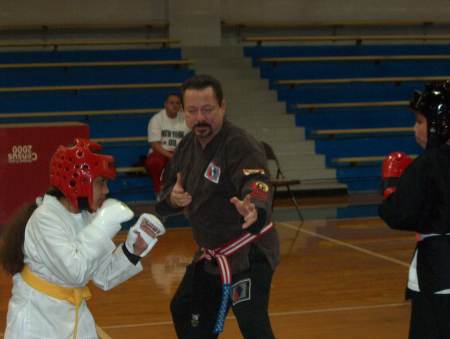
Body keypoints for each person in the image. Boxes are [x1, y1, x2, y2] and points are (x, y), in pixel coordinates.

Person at [0, 138, 165, 339]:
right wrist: (104, 224)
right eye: (101, 182)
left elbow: (104, 277)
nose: (106, 191)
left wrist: (133, 249)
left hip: (72, 315)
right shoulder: (44, 219)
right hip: (37, 322)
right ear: (77, 181)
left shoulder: (86, 217)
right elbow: (75, 272)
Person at [156, 75, 280, 339]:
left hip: (248, 252)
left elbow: (258, 182)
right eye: (192, 111)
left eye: (207, 110)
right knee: (184, 310)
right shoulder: (186, 147)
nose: (200, 118)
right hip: (211, 254)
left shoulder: (239, 144)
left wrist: (255, 208)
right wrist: (172, 198)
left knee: (251, 321)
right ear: (184, 113)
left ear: (223, 107)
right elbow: (165, 193)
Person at [379, 81, 450, 339]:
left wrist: (390, 190)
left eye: (420, 122)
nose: (415, 129)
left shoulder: (427, 165)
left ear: (438, 123)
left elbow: (399, 214)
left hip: (439, 272)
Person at [145, 93, 190, 196]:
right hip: (161, 152)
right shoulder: (156, 119)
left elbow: (190, 142)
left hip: (179, 152)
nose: (175, 105)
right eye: (172, 103)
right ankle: (159, 192)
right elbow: (154, 144)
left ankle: (185, 193)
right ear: (165, 104)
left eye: (178, 103)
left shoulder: (186, 119)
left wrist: (180, 155)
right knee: (154, 162)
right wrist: (171, 156)